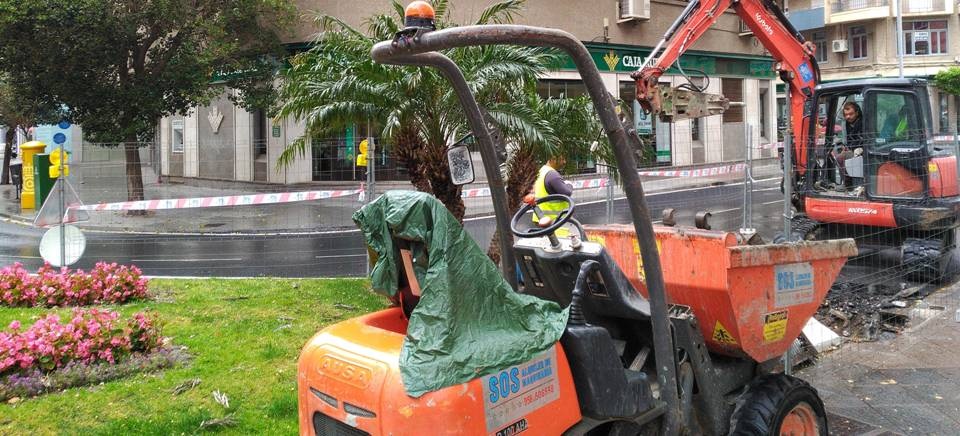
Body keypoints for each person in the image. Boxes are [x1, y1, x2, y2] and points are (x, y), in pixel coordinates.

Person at [531, 155, 573, 227]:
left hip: (541, 218)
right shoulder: (552, 174)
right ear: (553, 159)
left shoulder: (541, 171)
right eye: (562, 159)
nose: (564, 162)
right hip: (555, 223)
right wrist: (569, 185)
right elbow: (567, 192)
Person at [831, 101, 864, 189]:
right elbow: (848, 140)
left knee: (842, 158)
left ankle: (849, 184)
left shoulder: (863, 123)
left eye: (851, 114)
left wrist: (859, 148)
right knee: (838, 156)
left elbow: (863, 139)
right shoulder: (847, 124)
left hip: (862, 150)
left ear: (857, 112)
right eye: (846, 115)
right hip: (852, 149)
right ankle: (847, 182)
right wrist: (845, 147)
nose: (848, 117)